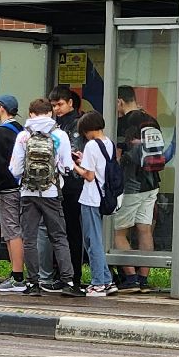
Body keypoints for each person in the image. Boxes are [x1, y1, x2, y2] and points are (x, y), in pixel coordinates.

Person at [9, 98, 77, 295]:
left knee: (29, 239)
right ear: (50, 113)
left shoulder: (23, 136)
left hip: (27, 192)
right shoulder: (59, 135)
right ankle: (68, 282)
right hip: (52, 192)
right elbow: (67, 167)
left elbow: (15, 169)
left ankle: (33, 283)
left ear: (31, 113)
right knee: (59, 237)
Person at [112, 84, 162, 292]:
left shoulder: (124, 123)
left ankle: (130, 279)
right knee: (144, 230)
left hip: (131, 184)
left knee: (118, 232)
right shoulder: (151, 120)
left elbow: (117, 155)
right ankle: (143, 279)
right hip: (151, 182)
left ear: (120, 101)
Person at [40, 85, 86, 290]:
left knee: (71, 231)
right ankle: (64, 273)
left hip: (73, 184)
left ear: (70, 103)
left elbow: (75, 152)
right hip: (57, 184)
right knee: (59, 231)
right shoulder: (54, 125)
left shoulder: (77, 124)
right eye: (53, 105)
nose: (56, 109)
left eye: (59, 104)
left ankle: (72, 275)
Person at [0, 95, 27, 291]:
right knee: (15, 230)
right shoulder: (21, 130)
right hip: (21, 187)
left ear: (2, 108)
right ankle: (16, 273)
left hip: (6, 188)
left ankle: (17, 277)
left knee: (11, 231)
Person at [75, 111, 116, 296]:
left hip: (91, 198)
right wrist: (83, 159)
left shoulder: (92, 145)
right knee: (96, 239)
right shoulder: (108, 143)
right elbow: (100, 167)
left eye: (84, 132)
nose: (85, 135)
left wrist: (74, 165)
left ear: (88, 129)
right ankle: (107, 280)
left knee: (93, 242)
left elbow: (89, 176)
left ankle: (98, 283)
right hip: (103, 196)